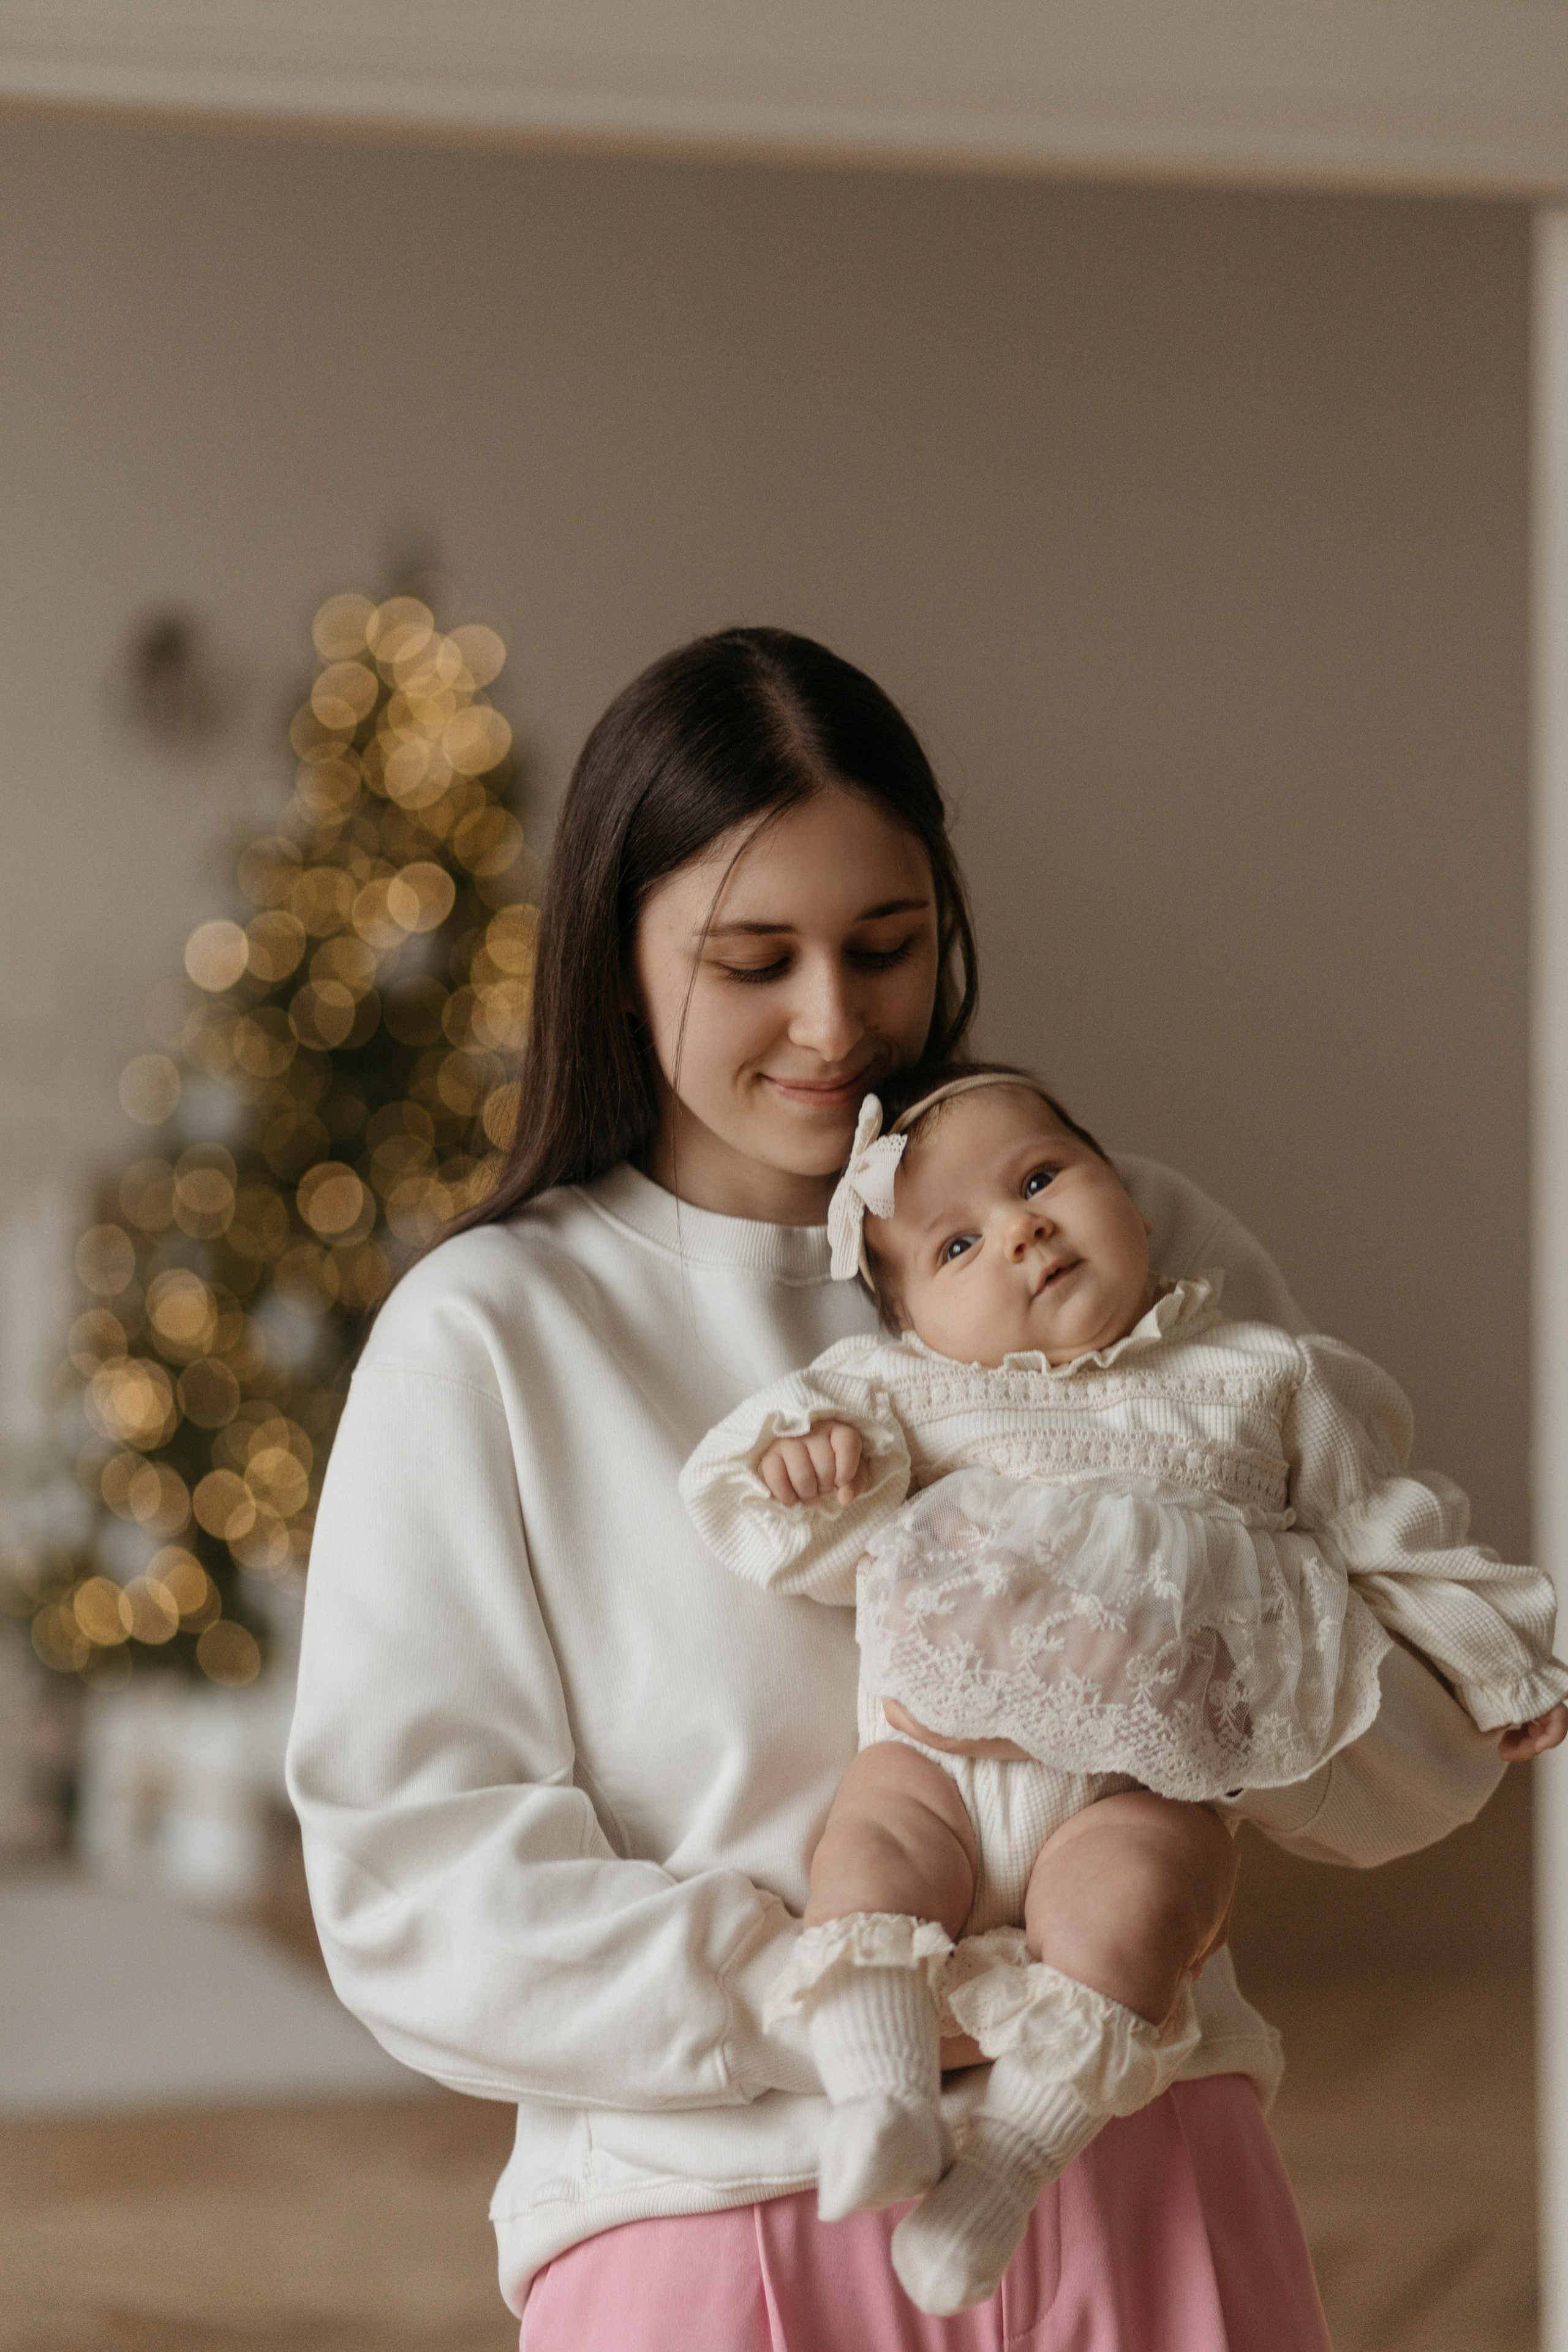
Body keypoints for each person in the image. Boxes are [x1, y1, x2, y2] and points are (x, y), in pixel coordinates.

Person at [287, 627, 1512, 2352]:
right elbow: (414, 1888)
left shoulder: (1126, 1242)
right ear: (614, 960)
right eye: (752, 962)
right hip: (715, 2226)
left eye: (886, 946)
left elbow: (1425, 1753)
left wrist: (1192, 1675)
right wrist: (837, 2007)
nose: (836, 1024)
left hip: (1138, 2162)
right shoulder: (494, 1334)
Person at [680, 1064, 1568, 2313]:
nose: (1020, 1230)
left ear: (1135, 1204)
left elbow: (1388, 1529)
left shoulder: (1262, 1375)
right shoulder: (907, 1391)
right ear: (910, 1319)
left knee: (1149, 1907)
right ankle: (880, 2098)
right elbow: (757, 1491)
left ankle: (1003, 2173)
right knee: (867, 1854)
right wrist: (803, 1461)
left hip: (1135, 1789)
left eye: (1041, 1178)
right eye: (955, 1244)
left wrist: (1498, 1656)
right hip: (936, 1764)